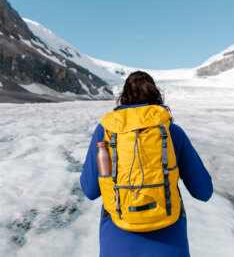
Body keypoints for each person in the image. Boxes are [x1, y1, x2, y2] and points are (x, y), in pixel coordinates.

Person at [80, 71, 213, 257]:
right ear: (156, 95)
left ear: (123, 97)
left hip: (117, 243)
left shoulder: (105, 131)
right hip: (169, 244)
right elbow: (204, 191)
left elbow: (90, 190)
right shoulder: (172, 132)